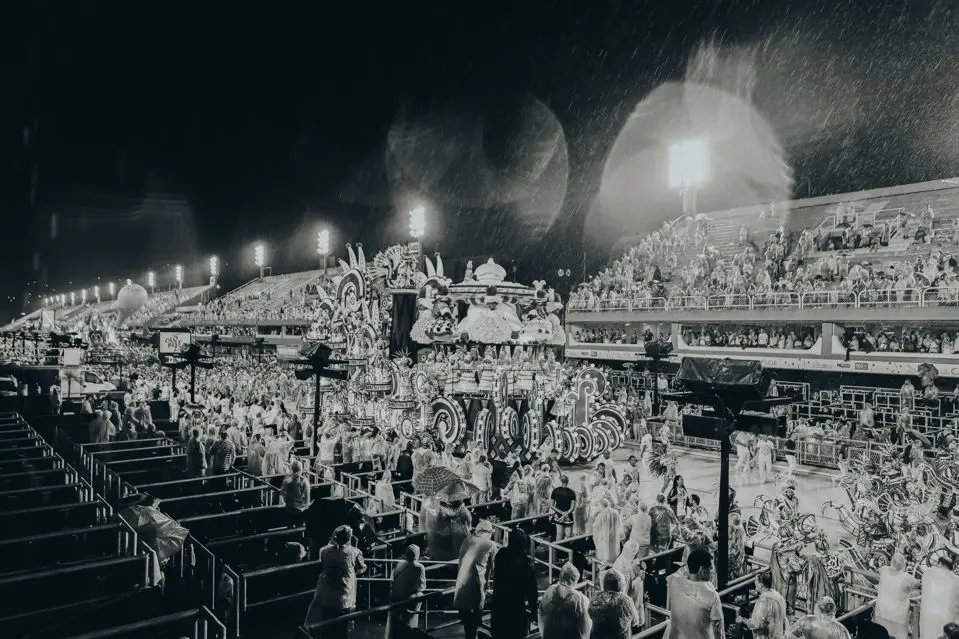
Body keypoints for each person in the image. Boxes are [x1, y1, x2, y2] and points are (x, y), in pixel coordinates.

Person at [304, 524, 367, 638]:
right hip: (345, 594)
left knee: (327, 625)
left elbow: (323, 565)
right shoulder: (354, 552)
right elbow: (362, 567)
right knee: (342, 627)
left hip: (328, 592)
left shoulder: (324, 551)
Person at [490, 528, 539, 639]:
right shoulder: (526, 562)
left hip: (499, 604)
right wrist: (534, 610)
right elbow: (532, 590)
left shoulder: (501, 554)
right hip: (516, 608)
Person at [453, 519, 498, 639]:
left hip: (462, 584)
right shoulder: (491, 545)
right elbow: (493, 568)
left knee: (467, 623)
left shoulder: (467, 540)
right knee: (475, 621)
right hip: (478, 586)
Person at [665, 549, 724, 639]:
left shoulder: (674, 581)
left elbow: (682, 570)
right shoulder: (712, 596)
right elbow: (717, 629)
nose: (712, 572)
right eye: (710, 568)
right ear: (702, 570)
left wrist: (692, 564)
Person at [539, 562, 591, 639]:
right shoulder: (579, 598)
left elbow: (541, 618)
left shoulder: (549, 592)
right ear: (574, 580)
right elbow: (586, 628)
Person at [385, 544, 426, 639]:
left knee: (397, 626)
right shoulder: (419, 567)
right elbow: (422, 586)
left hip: (396, 600)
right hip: (408, 601)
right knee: (408, 625)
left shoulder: (399, 563)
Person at [874, 553, 919, 639]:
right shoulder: (907, 577)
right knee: (897, 636)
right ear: (903, 564)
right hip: (897, 615)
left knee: (881, 635)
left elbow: (878, 570)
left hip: (881, 611)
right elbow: (916, 584)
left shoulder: (884, 570)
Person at [588, 569, 640, 639]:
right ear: (621, 584)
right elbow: (634, 621)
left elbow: (590, 614)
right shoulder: (626, 601)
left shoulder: (596, 597)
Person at [736, 571, 787, 639]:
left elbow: (758, 624)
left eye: (756, 581)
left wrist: (743, 620)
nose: (754, 583)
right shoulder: (778, 596)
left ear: (761, 584)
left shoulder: (764, 600)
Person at [920, 556, 959, 639]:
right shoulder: (956, 580)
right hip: (947, 619)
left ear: (940, 563)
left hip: (928, 616)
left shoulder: (928, 573)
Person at [786, 596, 851, 639]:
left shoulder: (840, 630)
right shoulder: (807, 620)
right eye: (828, 615)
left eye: (830, 615)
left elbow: (788, 635)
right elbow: (789, 636)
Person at [592, 497, 623, 565]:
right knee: (613, 557)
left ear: (601, 506)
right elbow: (620, 526)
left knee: (603, 558)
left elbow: (595, 529)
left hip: (603, 540)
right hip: (613, 538)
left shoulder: (600, 516)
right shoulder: (616, 513)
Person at [281, 459, 311, 526]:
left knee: (289, 529)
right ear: (301, 469)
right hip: (301, 511)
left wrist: (286, 505)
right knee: (299, 530)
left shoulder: (286, 479)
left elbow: (282, 495)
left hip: (289, 510)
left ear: (291, 468)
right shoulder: (304, 481)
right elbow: (307, 499)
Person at [549, 475, 576, 541]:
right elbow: (572, 508)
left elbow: (551, 505)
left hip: (558, 516)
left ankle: (558, 550)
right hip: (568, 516)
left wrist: (562, 513)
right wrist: (565, 514)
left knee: (559, 536)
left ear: (561, 481)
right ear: (568, 481)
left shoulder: (555, 491)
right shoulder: (572, 492)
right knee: (568, 536)